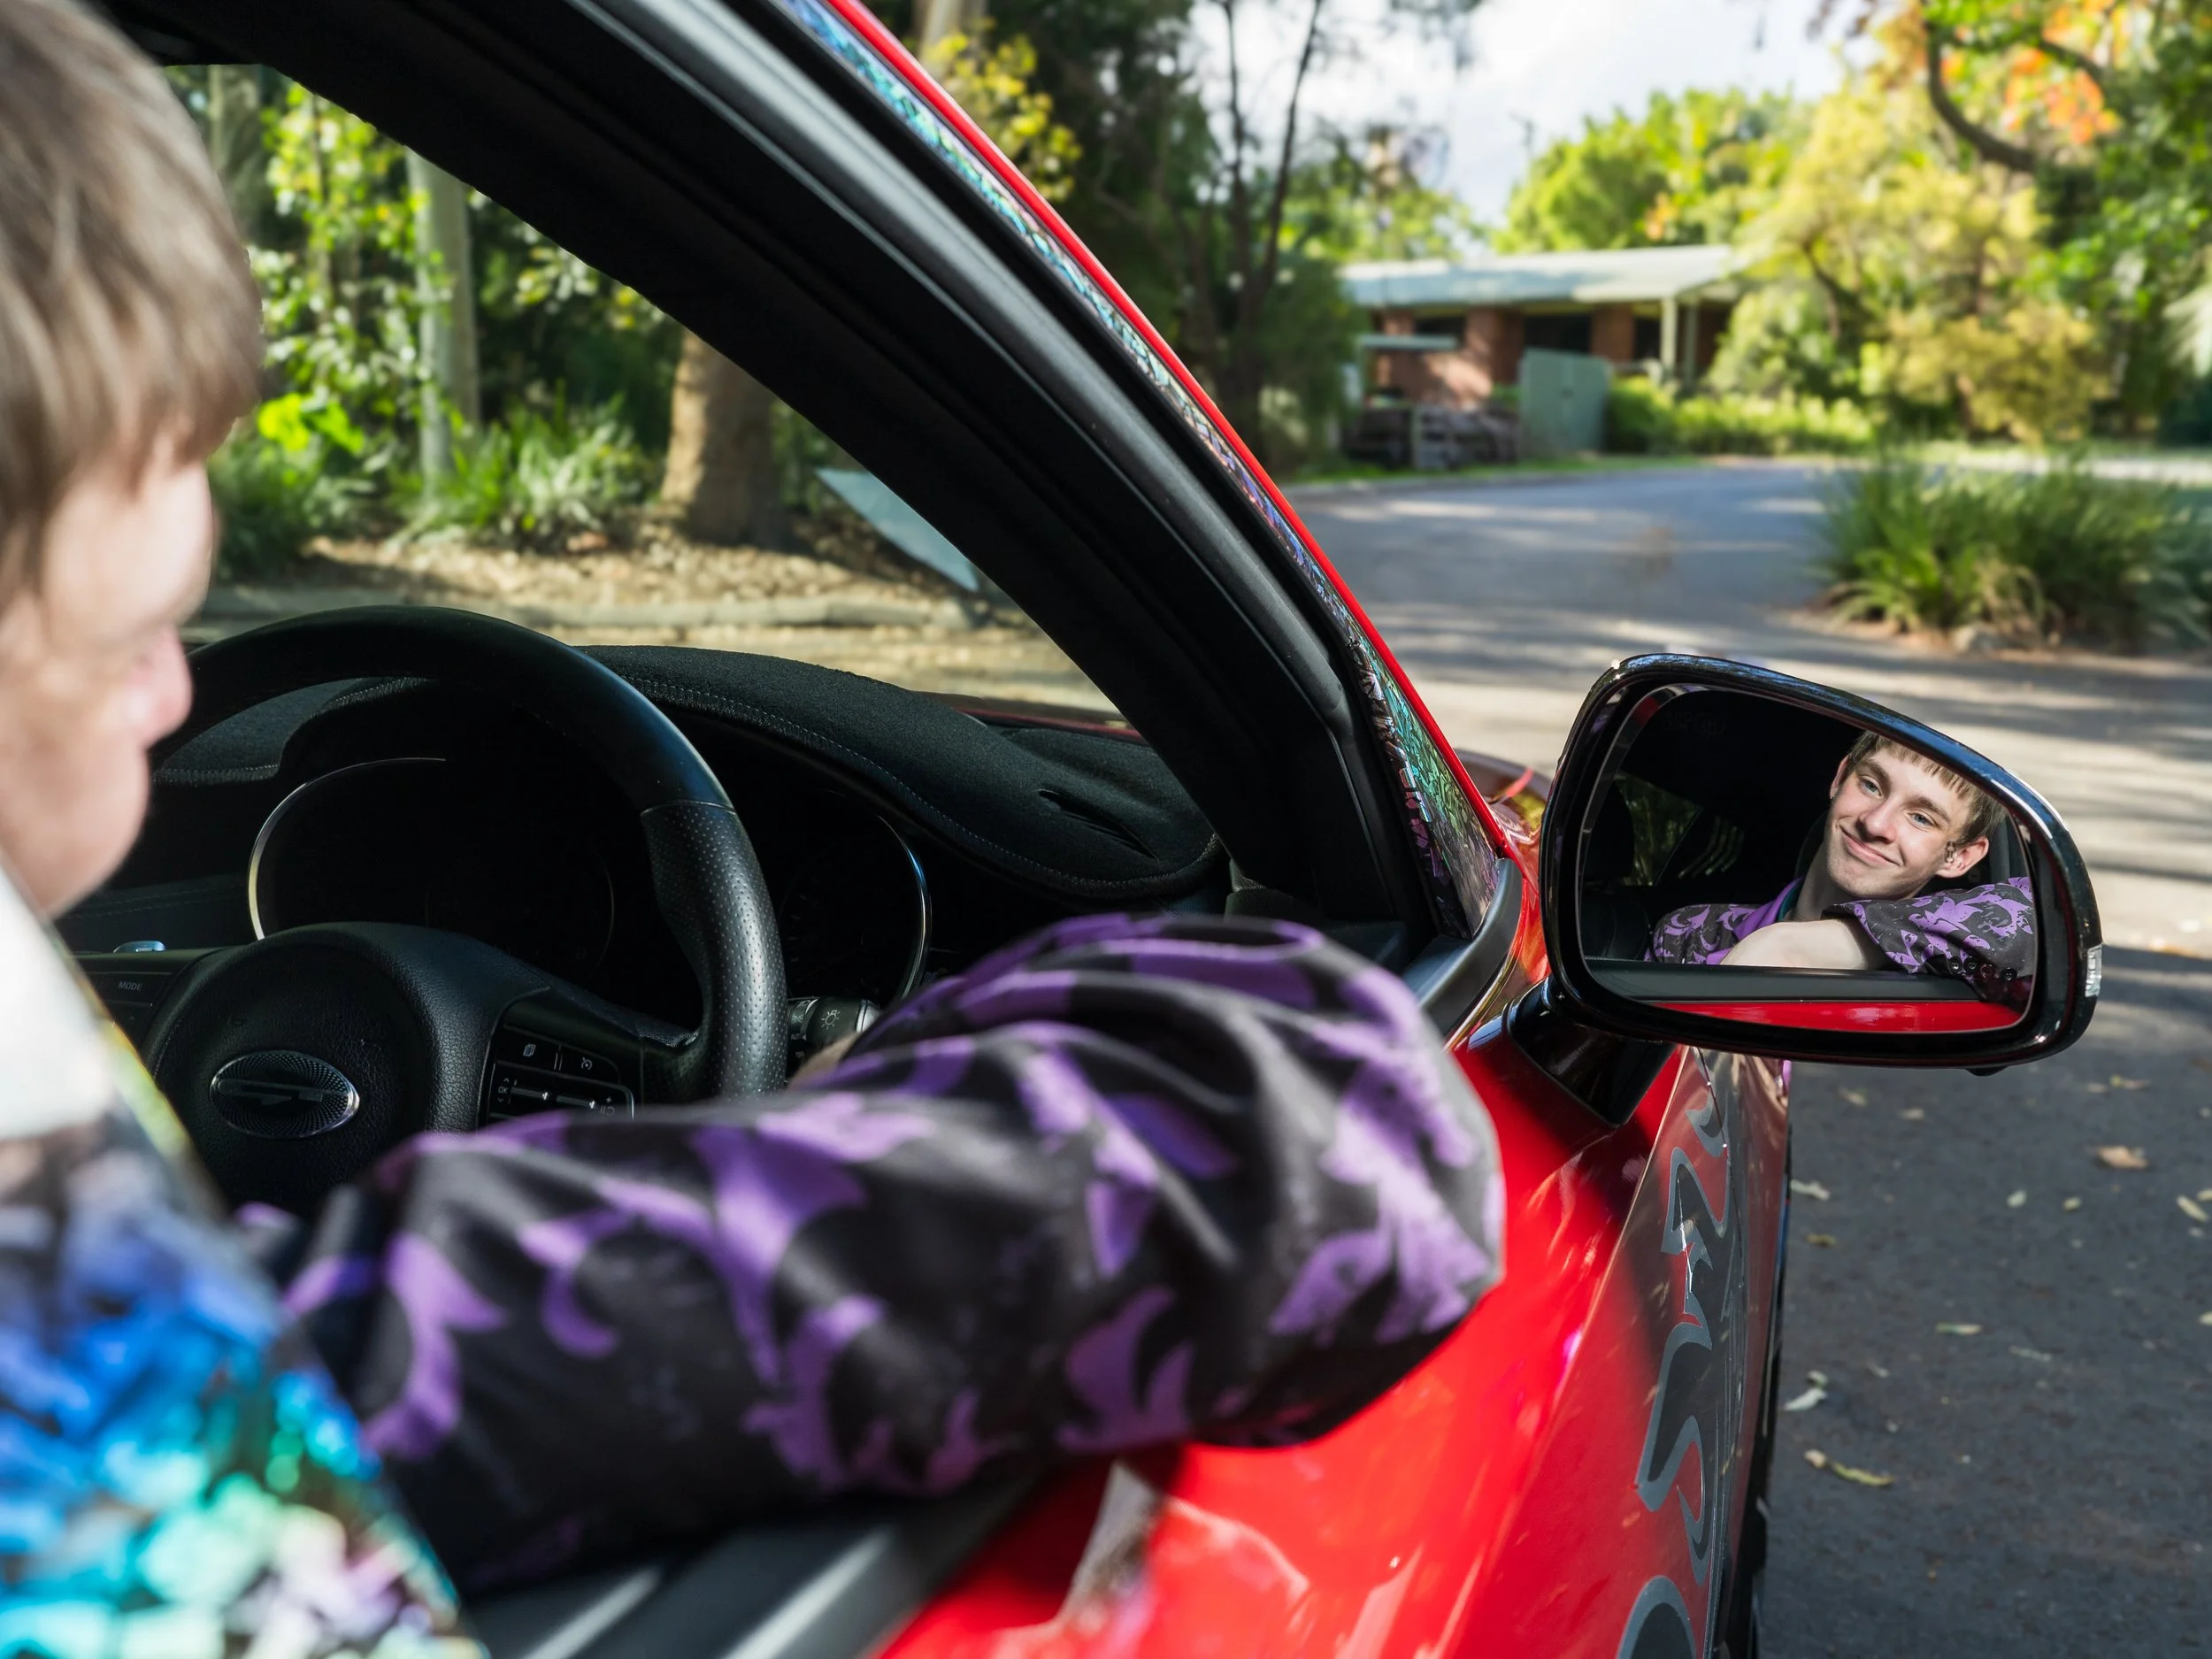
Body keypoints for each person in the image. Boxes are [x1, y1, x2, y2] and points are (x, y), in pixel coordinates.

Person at [0, 0, 1502, 1639]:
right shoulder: (131, 1392)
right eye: (135, 639)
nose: (174, 697)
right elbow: (1329, 1148)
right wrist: (844, 1100)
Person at [1647, 731, 2035, 1003]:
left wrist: (1796, 946)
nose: (1876, 823)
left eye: (1921, 818)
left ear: (1959, 857)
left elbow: (2035, 909)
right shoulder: (1693, 933)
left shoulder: (1945, 974)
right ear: (1839, 779)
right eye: (1871, 785)